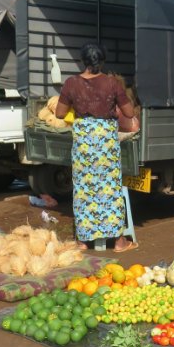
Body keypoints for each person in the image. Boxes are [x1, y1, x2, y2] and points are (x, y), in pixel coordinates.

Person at [55, 43, 137, 252]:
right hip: (105, 142)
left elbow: (59, 114)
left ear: (83, 61)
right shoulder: (112, 83)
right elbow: (128, 113)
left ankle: (82, 241)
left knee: (84, 188)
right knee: (110, 187)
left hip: (84, 141)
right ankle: (119, 242)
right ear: (102, 61)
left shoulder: (71, 83)